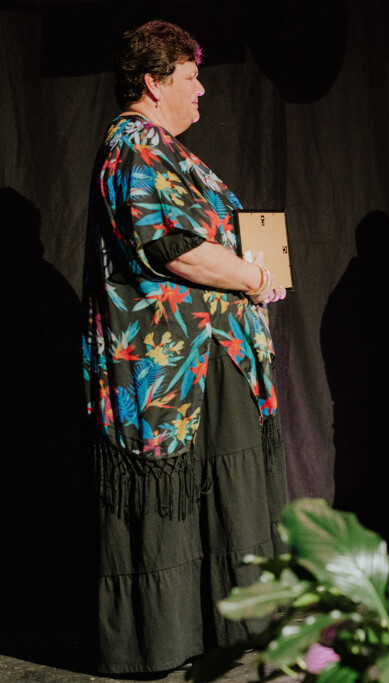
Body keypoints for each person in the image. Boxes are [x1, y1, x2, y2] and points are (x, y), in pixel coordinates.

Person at [82, 20, 288, 674]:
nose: (202, 90)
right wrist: (254, 277)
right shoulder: (136, 145)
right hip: (177, 362)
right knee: (179, 502)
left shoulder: (160, 149)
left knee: (218, 495)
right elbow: (171, 246)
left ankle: (224, 630)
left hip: (206, 355)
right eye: (191, 76)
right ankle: (169, 642)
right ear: (153, 81)